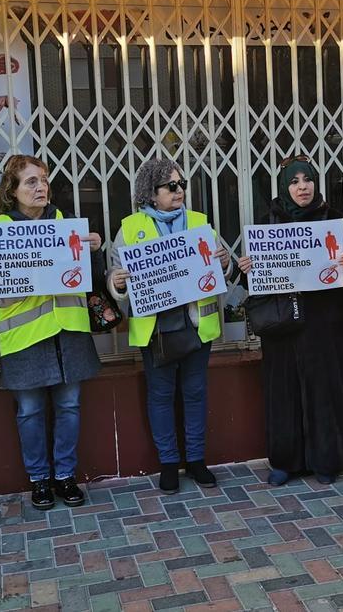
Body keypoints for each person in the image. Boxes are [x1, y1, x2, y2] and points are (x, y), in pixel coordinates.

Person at [0, 154, 101, 510]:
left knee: (69, 406)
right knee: (29, 411)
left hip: (67, 333)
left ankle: (65, 476)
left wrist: (95, 252)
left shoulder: (65, 221)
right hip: (24, 338)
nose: (41, 186)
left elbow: (93, 279)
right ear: (11, 190)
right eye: (31, 181)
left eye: (43, 179)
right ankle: (40, 479)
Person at [237, 157, 343, 486]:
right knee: (284, 391)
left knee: (324, 389)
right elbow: (248, 283)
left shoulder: (333, 220)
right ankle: (285, 461)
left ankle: (327, 458)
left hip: (326, 325)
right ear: (285, 186)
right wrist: (247, 268)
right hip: (282, 328)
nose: (302, 187)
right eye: (294, 181)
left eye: (307, 180)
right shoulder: (266, 223)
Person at [107, 159, 231, 494]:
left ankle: (195, 460)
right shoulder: (130, 229)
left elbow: (223, 268)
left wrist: (225, 262)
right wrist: (117, 283)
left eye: (181, 184)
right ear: (150, 193)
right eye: (170, 186)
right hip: (155, 331)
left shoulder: (199, 223)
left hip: (195, 327)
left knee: (195, 394)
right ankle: (168, 463)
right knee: (160, 396)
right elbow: (116, 279)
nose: (179, 191)